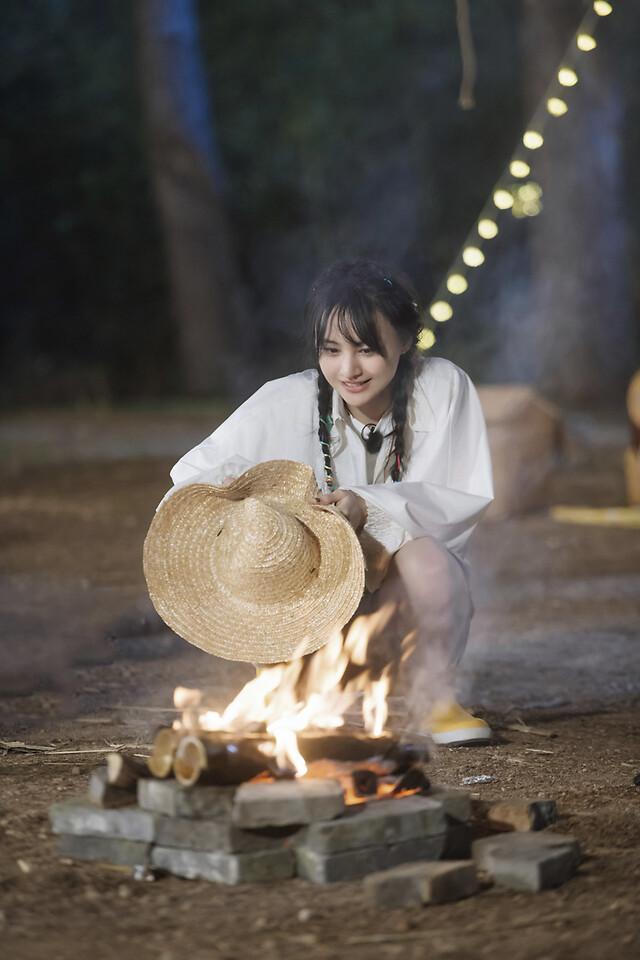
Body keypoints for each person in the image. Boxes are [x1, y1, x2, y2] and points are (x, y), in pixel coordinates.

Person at [167, 258, 494, 745]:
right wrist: (239, 494)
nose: (349, 370)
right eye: (331, 350)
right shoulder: (283, 401)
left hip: (406, 606)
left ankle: (435, 697)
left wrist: (368, 506)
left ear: (405, 341)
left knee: (427, 558)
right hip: (312, 609)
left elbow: (459, 501)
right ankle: (297, 693)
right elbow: (192, 479)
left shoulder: (442, 388)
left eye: (367, 350)